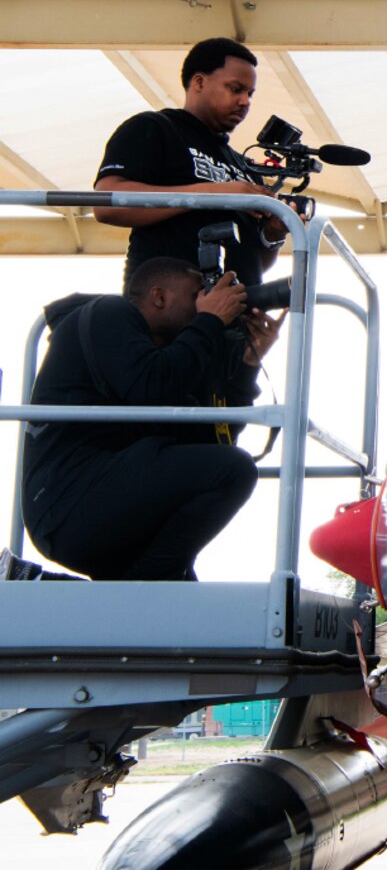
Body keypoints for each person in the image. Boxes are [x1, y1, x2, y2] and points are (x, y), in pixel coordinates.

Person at [21, 257, 284, 581]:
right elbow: (151, 389)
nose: (204, 304)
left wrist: (247, 365)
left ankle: (122, 590)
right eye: (196, 295)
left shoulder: (170, 358)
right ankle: (135, 589)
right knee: (235, 470)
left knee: (180, 600)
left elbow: (216, 441)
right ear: (159, 297)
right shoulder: (108, 314)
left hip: (98, 508)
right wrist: (209, 322)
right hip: (67, 502)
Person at [93, 37, 290, 287]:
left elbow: (253, 264)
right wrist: (215, 193)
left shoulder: (246, 167)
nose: (245, 102)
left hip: (236, 316)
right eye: (235, 89)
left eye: (250, 94)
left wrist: (273, 235)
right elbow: (105, 204)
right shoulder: (154, 128)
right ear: (199, 82)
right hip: (166, 312)